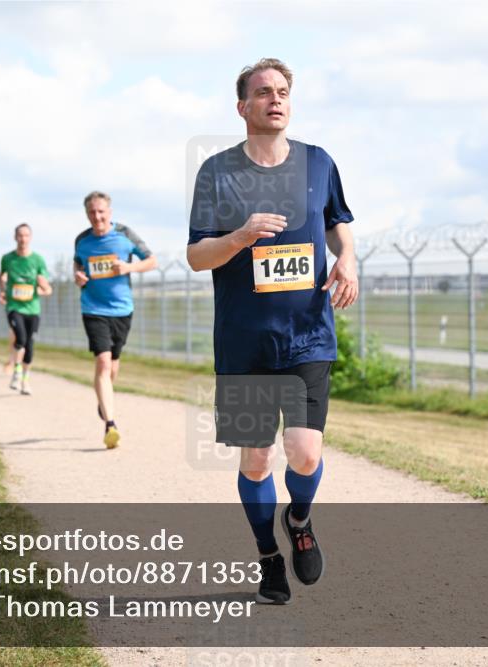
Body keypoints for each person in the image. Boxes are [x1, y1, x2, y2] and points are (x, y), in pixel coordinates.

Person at [186, 58, 357, 605]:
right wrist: (239, 236)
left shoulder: (317, 162)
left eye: (283, 91)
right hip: (245, 340)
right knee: (256, 461)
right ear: (243, 107)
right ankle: (268, 556)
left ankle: (299, 519)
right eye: (263, 93)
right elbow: (195, 256)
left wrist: (348, 260)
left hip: (308, 333)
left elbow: (339, 226)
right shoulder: (217, 172)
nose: (275, 99)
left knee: (305, 454)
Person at [74, 191, 157, 448]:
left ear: (109, 212)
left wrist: (129, 267)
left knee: (114, 367)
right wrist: (78, 275)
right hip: (93, 308)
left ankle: (104, 399)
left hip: (122, 310)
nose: (97, 217)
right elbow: (78, 264)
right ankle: (110, 424)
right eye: (92, 213)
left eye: (101, 212)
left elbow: (152, 261)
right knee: (103, 363)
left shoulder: (125, 234)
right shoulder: (82, 240)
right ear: (87, 214)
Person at [0, 223, 52, 395]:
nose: (23, 239)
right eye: (20, 235)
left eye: (26, 235)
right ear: (15, 237)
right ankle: (16, 371)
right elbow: (1, 277)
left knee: (29, 345)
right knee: (20, 338)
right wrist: (3, 291)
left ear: (30, 238)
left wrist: (40, 287)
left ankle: (25, 379)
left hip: (32, 308)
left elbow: (47, 288)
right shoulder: (8, 259)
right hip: (14, 307)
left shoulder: (37, 260)